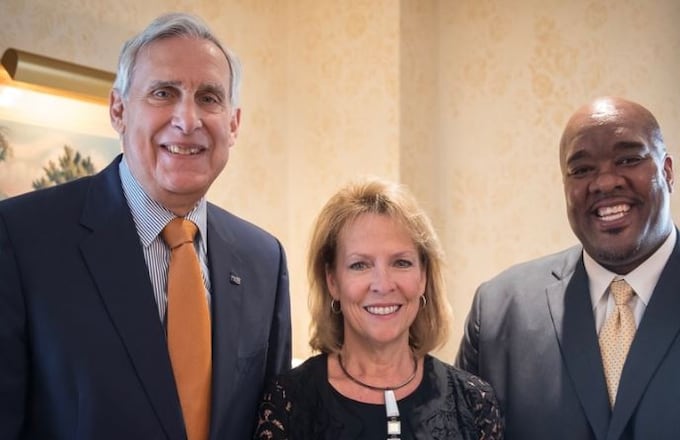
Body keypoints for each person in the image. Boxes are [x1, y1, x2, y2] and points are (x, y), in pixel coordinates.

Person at [0, 12, 292, 440]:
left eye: (209, 98)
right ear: (118, 110)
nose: (187, 120)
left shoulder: (264, 259)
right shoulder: (21, 237)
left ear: (233, 124)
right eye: (163, 93)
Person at [456, 96, 680, 439]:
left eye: (628, 159)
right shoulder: (498, 312)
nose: (604, 182)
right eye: (582, 170)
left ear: (668, 172)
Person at [254, 177, 503, 439]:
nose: (383, 285)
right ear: (333, 281)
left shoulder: (474, 402)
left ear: (423, 277)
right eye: (360, 265)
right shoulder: (288, 401)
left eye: (401, 263)